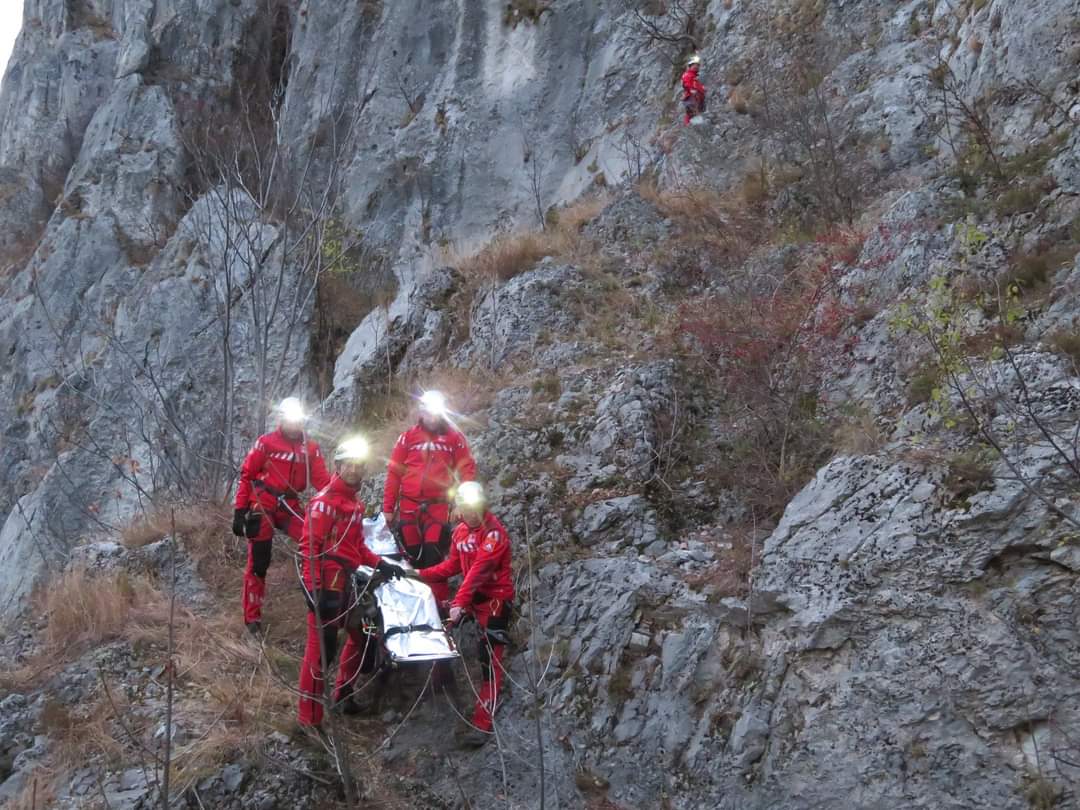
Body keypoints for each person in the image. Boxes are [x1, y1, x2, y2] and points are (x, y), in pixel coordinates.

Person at [297, 436, 406, 728]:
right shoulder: (323, 504)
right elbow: (309, 549)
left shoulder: (355, 506)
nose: (354, 470)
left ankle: (343, 694)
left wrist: (380, 563)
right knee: (319, 653)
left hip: (348, 586)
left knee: (364, 636)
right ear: (338, 466)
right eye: (349, 465)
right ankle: (310, 720)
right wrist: (313, 590)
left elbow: (357, 548)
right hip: (325, 588)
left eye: (359, 465)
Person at [418, 482, 514, 747]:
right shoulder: (459, 532)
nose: (471, 512)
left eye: (476, 507)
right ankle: (436, 693)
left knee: (489, 662)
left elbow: (479, 571)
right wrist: (419, 574)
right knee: (440, 639)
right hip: (471, 601)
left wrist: (459, 603)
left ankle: (482, 725)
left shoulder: (494, 534)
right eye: (466, 507)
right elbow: (453, 565)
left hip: (494, 601)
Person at [233, 397, 331, 635]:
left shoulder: (311, 448)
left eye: (298, 419)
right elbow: (247, 475)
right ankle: (252, 619)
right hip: (263, 503)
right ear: (282, 418)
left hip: (290, 504)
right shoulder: (266, 443)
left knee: (315, 541)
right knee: (259, 561)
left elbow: (322, 482)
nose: (294, 424)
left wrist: (340, 500)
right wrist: (239, 510)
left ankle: (322, 600)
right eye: (290, 418)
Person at [381, 390, 476, 605]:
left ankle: (438, 607)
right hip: (408, 506)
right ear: (421, 412)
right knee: (411, 555)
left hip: (439, 507)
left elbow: (467, 469)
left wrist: (462, 502)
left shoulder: (454, 438)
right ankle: (414, 603)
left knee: (434, 556)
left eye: (436, 413)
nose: (432, 418)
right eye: (428, 412)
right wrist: (388, 508)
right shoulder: (408, 437)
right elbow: (394, 472)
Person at [681, 53, 706, 125]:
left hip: (696, 99)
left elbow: (697, 87)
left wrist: (703, 89)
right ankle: (691, 127)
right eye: (695, 65)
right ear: (691, 66)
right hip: (691, 98)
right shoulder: (688, 75)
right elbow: (687, 85)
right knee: (693, 115)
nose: (697, 67)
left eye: (698, 65)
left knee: (694, 114)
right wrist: (692, 91)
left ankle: (692, 126)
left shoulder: (694, 76)